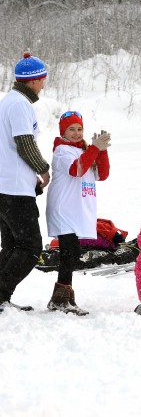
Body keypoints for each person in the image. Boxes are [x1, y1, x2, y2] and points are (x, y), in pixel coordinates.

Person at [45, 111, 111, 315]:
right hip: (63, 209)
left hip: (76, 211)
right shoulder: (62, 151)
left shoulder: (83, 151)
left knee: (71, 253)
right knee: (69, 252)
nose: (76, 133)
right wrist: (93, 149)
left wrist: (101, 151)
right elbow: (77, 170)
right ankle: (60, 298)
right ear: (62, 132)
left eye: (79, 129)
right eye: (71, 129)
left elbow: (103, 174)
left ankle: (64, 296)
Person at [0, 52, 51, 313]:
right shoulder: (20, 104)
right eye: (43, 79)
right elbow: (24, 143)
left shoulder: (7, 101)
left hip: (6, 186)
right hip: (15, 189)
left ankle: (1, 298)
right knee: (30, 247)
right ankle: (1, 295)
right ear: (33, 81)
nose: (43, 84)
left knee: (11, 247)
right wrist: (42, 169)